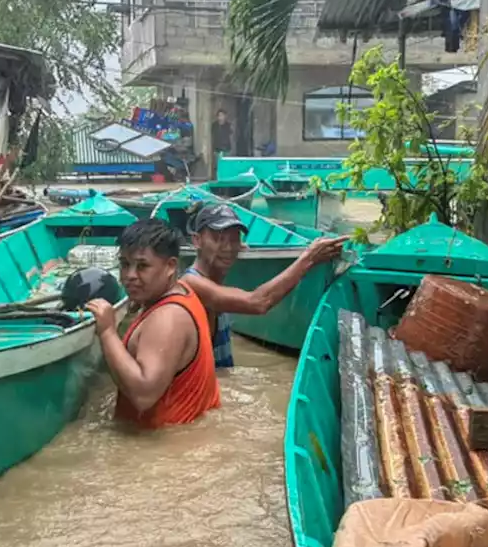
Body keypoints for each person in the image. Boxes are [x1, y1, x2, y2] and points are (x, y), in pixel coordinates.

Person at [85, 219, 221, 429]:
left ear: (170, 266)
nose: (130, 276)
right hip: (186, 435)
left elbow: (144, 395)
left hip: (164, 446)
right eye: (124, 264)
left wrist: (108, 331)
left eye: (142, 266)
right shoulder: (181, 290)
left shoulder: (168, 317)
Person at [182, 203, 348, 368]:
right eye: (219, 238)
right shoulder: (192, 283)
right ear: (197, 240)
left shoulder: (214, 279)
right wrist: (308, 259)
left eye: (234, 239)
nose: (227, 247)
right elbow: (257, 302)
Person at [210, 109, 233, 179]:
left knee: (226, 165)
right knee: (217, 165)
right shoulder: (214, 125)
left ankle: (226, 178)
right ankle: (217, 179)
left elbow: (231, 136)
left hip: (227, 149)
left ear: (225, 116)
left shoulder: (228, 125)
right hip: (217, 149)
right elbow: (213, 137)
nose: (220, 117)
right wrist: (213, 149)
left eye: (222, 115)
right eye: (219, 116)